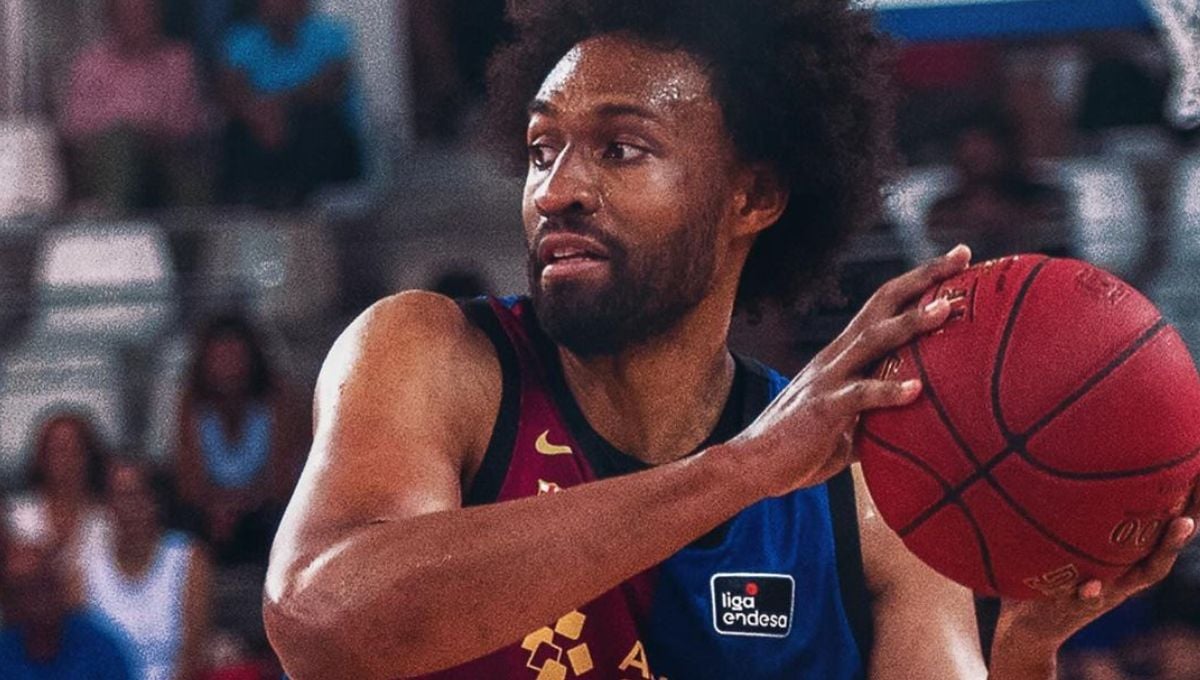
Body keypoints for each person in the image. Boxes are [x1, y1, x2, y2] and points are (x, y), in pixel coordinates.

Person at [262, 1, 1200, 678]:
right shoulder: (436, 357)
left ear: (753, 196)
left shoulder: (875, 493)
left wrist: (1026, 651)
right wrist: (742, 470)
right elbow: (321, 624)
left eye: (621, 149)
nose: (556, 190)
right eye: (543, 149)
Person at [174, 314, 307, 566]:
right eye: (219, 358)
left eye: (235, 357)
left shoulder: (278, 399)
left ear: (252, 359)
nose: (228, 367)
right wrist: (217, 507)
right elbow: (188, 482)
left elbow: (284, 478)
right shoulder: (191, 403)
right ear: (204, 362)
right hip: (210, 512)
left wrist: (241, 505)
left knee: (284, 520)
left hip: (264, 507)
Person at [59, 0, 210, 212]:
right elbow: (76, 129)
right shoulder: (90, 64)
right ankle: (116, 221)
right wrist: (128, 130)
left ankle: (190, 230)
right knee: (120, 144)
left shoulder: (179, 60)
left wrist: (148, 132)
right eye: (128, 14)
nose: (137, 21)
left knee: (189, 166)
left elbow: (186, 123)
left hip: (164, 157)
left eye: (144, 13)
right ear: (111, 19)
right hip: (106, 160)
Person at [218, 0, 362, 207]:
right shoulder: (243, 38)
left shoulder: (330, 34)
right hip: (264, 127)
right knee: (236, 129)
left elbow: (332, 83)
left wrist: (280, 106)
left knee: (319, 122)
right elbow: (231, 88)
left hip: (316, 134)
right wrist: (258, 114)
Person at [81, 457, 212, 680]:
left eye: (138, 495)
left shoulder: (189, 558)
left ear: (156, 501)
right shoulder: (86, 567)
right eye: (120, 497)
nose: (130, 507)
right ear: (107, 506)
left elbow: (193, 653)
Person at [0, 499, 136, 678]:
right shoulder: (4, 653)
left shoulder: (99, 650)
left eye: (47, 587)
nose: (41, 601)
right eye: (26, 591)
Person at [925, 115, 1070, 261]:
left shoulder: (1044, 201)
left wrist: (1006, 222)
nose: (977, 155)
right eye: (969, 149)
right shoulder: (945, 211)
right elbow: (940, 256)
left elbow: (1055, 250)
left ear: (1006, 149)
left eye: (984, 148)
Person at [20, 411, 109, 606]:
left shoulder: (108, 520)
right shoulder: (18, 519)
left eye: (75, 450)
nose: (66, 459)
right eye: (57, 450)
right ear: (41, 458)